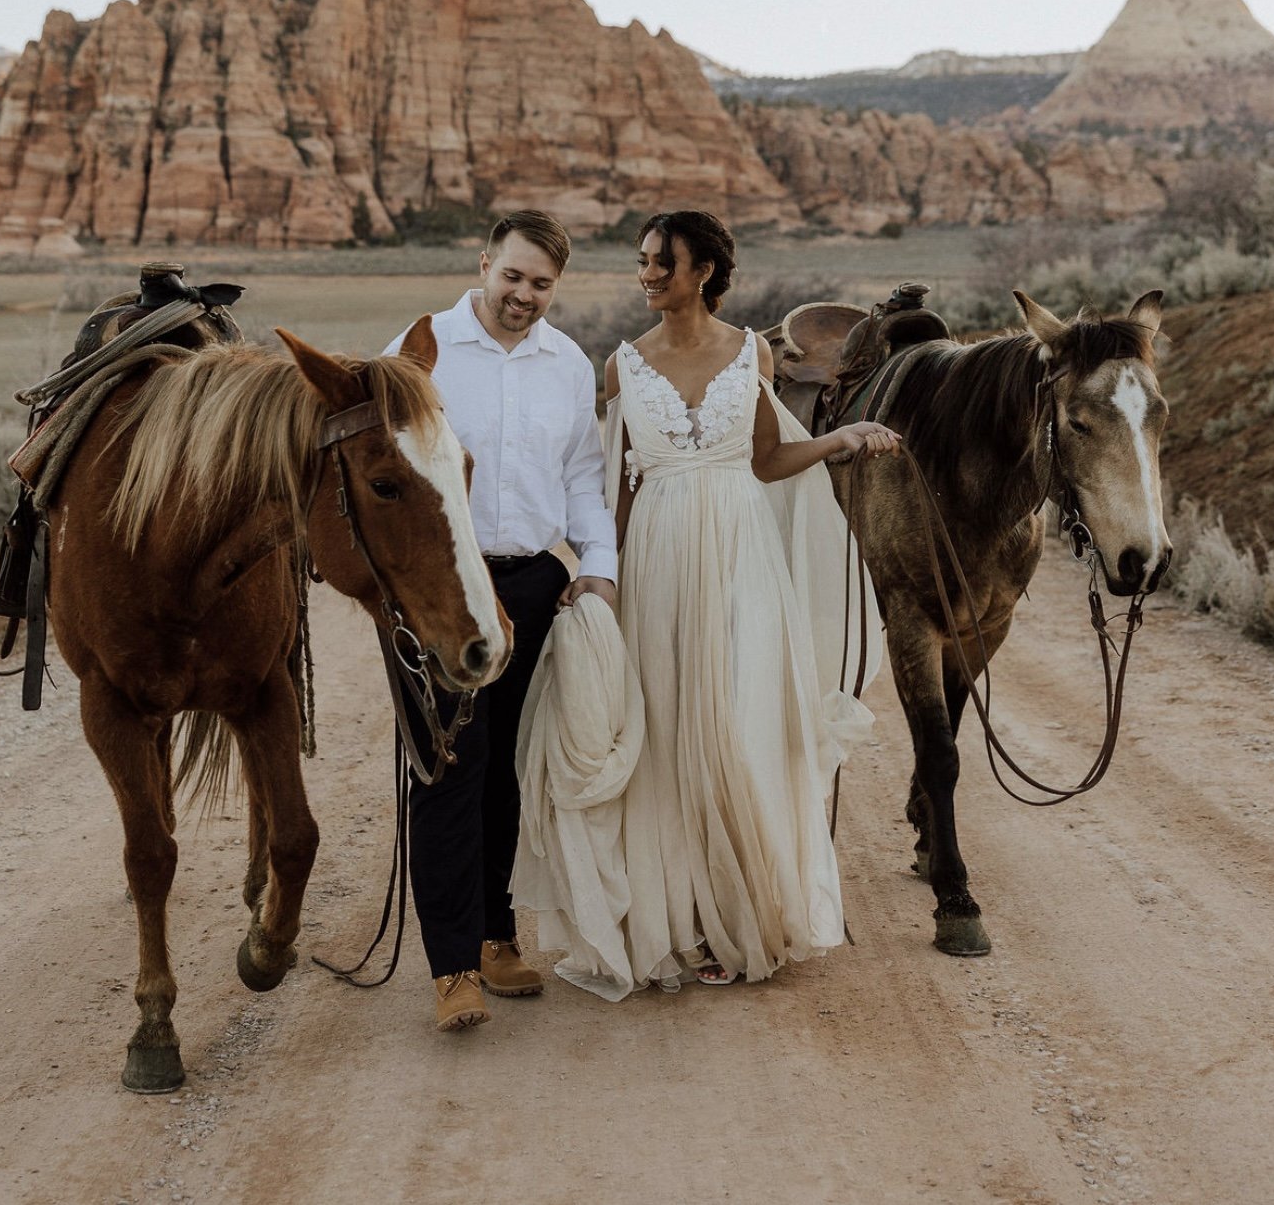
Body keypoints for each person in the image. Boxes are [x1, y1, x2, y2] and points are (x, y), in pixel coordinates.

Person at [515, 209, 898, 999]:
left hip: (739, 554)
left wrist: (839, 439)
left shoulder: (749, 351)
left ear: (704, 274)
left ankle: (738, 912)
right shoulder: (623, 365)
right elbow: (614, 489)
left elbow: (764, 459)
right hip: (655, 554)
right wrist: (599, 577)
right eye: (643, 260)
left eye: (662, 261)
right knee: (666, 729)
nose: (646, 273)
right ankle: (681, 920)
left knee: (734, 722)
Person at [380, 209, 618, 1032]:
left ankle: (493, 936)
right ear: (483, 262)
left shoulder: (566, 363)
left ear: (558, 285)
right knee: (449, 766)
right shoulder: (419, 350)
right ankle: (452, 968)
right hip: (442, 594)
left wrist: (594, 567)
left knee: (508, 766)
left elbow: (584, 476)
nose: (523, 295)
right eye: (511, 276)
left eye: (541, 284)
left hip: (529, 587)